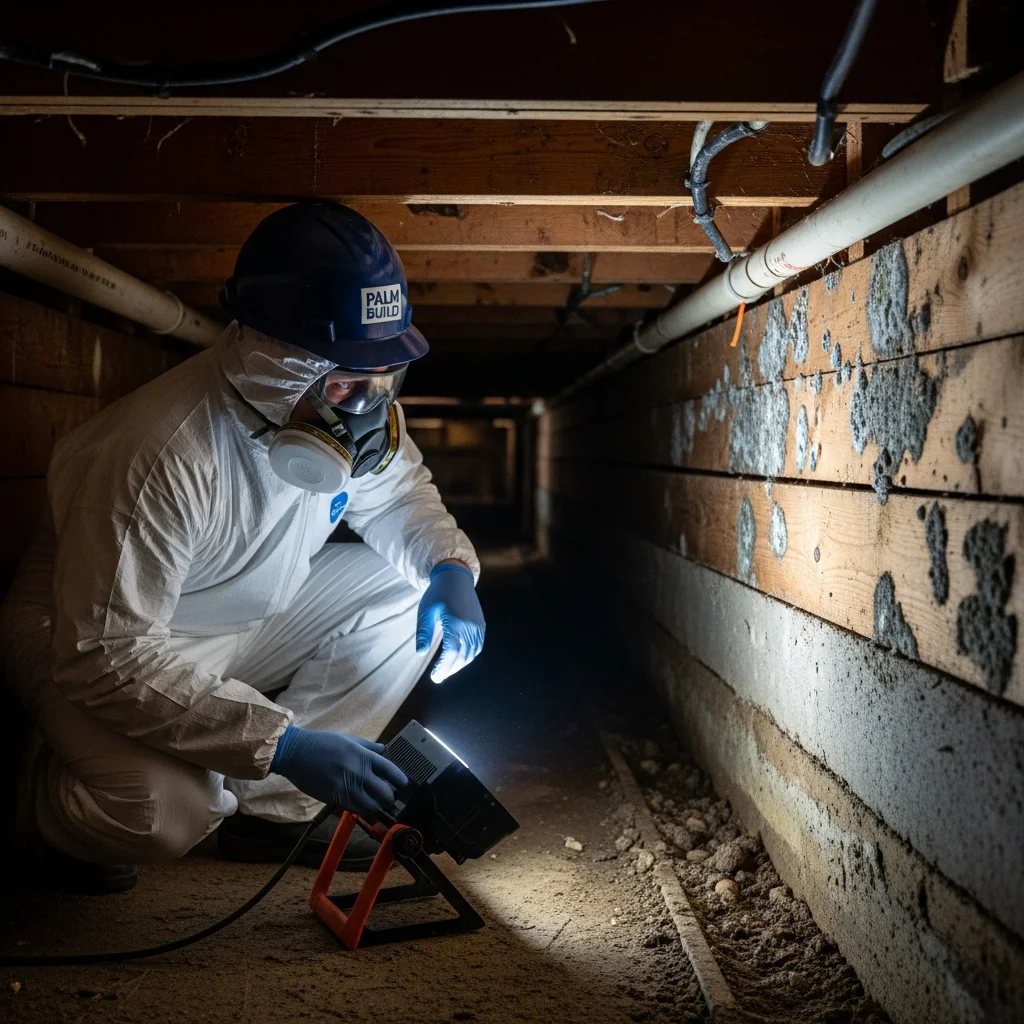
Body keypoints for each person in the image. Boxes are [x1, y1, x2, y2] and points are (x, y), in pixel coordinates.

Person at [0, 202, 486, 893]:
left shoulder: (333, 411)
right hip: (86, 639)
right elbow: (106, 654)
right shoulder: (161, 452)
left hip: (234, 618)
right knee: (162, 814)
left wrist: (447, 567)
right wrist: (282, 743)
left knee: (411, 590)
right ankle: (41, 805)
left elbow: (400, 497)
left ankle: (276, 814)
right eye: (347, 381)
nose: (366, 408)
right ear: (280, 367)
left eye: (382, 379)